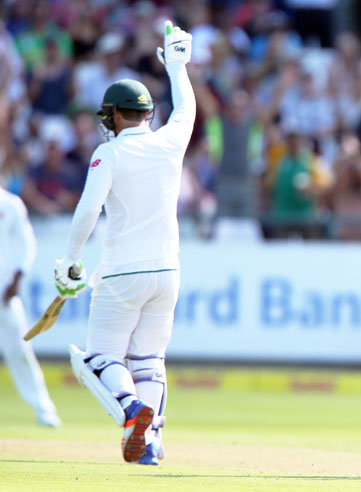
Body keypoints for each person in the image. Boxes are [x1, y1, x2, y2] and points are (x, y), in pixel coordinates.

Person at [53, 21, 195, 465]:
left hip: (120, 272)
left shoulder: (109, 153)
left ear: (114, 115)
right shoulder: (170, 142)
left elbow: (87, 211)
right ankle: (149, 443)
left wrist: (70, 261)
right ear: (146, 115)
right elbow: (186, 109)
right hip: (167, 272)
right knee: (150, 360)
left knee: (101, 359)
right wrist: (178, 66)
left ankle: (132, 410)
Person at [0, 184, 61, 427]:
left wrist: (18, 275)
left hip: (3, 288)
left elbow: (27, 243)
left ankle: (43, 408)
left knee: (20, 350)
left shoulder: (9, 203)